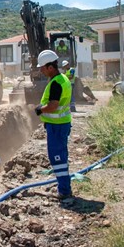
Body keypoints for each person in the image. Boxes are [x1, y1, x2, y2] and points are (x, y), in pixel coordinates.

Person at [34, 50, 73, 201]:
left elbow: (53, 106)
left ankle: (64, 190)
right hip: (61, 124)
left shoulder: (56, 83)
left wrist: (40, 109)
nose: (40, 70)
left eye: (42, 67)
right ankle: (64, 186)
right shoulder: (63, 79)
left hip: (57, 126)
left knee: (57, 158)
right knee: (61, 156)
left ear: (50, 67)